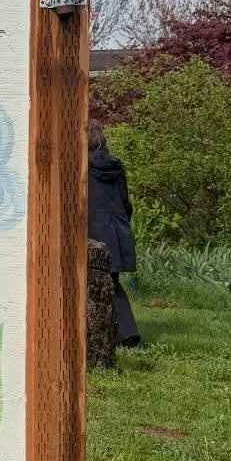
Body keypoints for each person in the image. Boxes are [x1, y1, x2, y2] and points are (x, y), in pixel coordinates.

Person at [87, 120, 141, 347]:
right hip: (117, 230)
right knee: (111, 281)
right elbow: (126, 204)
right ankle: (124, 333)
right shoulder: (116, 167)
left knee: (93, 283)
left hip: (93, 229)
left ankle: (122, 334)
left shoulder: (80, 166)